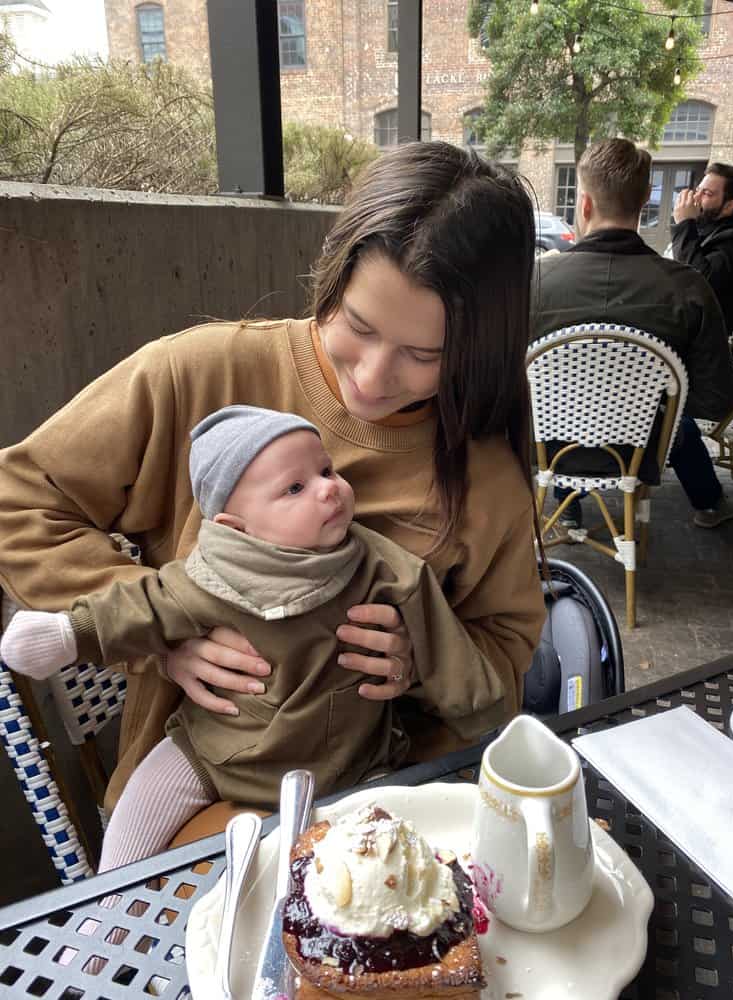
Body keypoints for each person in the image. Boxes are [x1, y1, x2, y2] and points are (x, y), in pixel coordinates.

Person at [0, 141, 546, 825]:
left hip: (390, 802)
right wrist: (160, 631)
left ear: (476, 348)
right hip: (199, 792)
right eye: (357, 326)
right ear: (333, 277)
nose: (373, 378)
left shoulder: (483, 474)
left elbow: (504, 653)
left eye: (423, 355)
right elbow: (20, 493)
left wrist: (422, 659)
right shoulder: (202, 374)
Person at [3, 404, 516, 868]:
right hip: (220, 748)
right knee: (137, 814)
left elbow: (438, 636)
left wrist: (484, 717)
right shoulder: (211, 577)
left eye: (326, 470)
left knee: (386, 856)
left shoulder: (377, 565)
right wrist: (71, 633)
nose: (328, 488)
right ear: (237, 528)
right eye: (295, 489)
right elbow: (140, 609)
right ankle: (106, 914)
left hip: (349, 760)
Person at [532, 138, 733, 530]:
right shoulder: (689, 287)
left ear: (586, 204)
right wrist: (645, 397)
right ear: (645, 201)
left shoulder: (534, 283)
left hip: (549, 450)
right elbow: (717, 400)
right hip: (642, 453)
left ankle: (567, 508)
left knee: (556, 397)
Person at [672, 163, 733, 340]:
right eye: (698, 189)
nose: (695, 198)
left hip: (704, 347)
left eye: (707, 194)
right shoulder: (705, 226)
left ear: (729, 206)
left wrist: (684, 224)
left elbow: (698, 283)